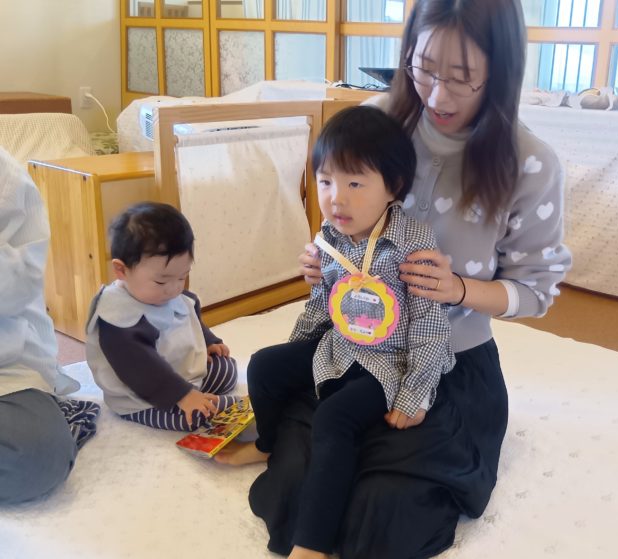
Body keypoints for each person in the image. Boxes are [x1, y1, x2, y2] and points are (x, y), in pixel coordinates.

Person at [250, 0, 572, 557]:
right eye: (424, 68)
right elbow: (338, 208)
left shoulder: (530, 163)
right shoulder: (378, 120)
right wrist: (323, 261)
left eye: (462, 78)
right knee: (301, 482)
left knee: (382, 513)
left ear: (501, 71)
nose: (438, 96)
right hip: (356, 344)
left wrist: (460, 289)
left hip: (448, 363)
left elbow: (537, 291)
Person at [216, 106, 455, 559]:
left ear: (393, 186)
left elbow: (430, 325)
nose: (336, 198)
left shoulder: (413, 244)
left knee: (333, 418)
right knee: (264, 365)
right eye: (325, 182)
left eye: (355, 184)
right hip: (340, 345)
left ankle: (312, 544)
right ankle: (267, 445)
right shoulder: (330, 235)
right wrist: (296, 355)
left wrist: (414, 394)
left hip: (391, 363)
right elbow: (321, 303)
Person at [0, 146, 100, 505]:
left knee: (37, 457)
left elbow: (17, 289)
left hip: (6, 364)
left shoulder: (6, 178)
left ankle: (50, 414)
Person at [85, 202, 238, 431]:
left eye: (182, 277)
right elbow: (142, 370)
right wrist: (183, 395)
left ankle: (201, 397)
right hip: (143, 394)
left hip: (179, 372)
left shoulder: (165, 292)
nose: (174, 288)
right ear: (121, 270)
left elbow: (189, 316)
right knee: (191, 417)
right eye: (161, 281)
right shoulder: (118, 317)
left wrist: (208, 341)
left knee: (226, 370)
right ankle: (213, 405)